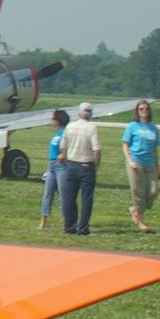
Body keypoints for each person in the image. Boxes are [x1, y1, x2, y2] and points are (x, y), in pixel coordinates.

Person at [56, 101, 102, 235]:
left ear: (78, 113)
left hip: (71, 164)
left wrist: (64, 156)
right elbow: (97, 150)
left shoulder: (70, 126)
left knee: (70, 198)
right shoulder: (92, 128)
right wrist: (96, 165)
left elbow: (63, 146)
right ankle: (83, 228)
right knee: (86, 198)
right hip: (86, 165)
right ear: (90, 114)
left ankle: (70, 226)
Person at [122, 100, 160, 232]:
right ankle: (141, 221)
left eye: (146, 109)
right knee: (138, 192)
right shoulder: (132, 126)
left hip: (150, 164)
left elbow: (155, 149)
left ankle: (135, 209)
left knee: (153, 192)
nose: (144, 111)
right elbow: (125, 145)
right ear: (137, 111)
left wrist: (157, 166)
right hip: (135, 162)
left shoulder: (154, 128)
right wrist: (130, 161)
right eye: (141, 109)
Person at [40, 109, 68, 229]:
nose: (52, 121)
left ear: (59, 120)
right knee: (47, 194)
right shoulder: (57, 133)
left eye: (53, 119)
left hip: (61, 166)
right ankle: (43, 222)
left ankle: (66, 221)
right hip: (51, 165)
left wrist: (63, 155)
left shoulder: (66, 133)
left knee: (62, 195)